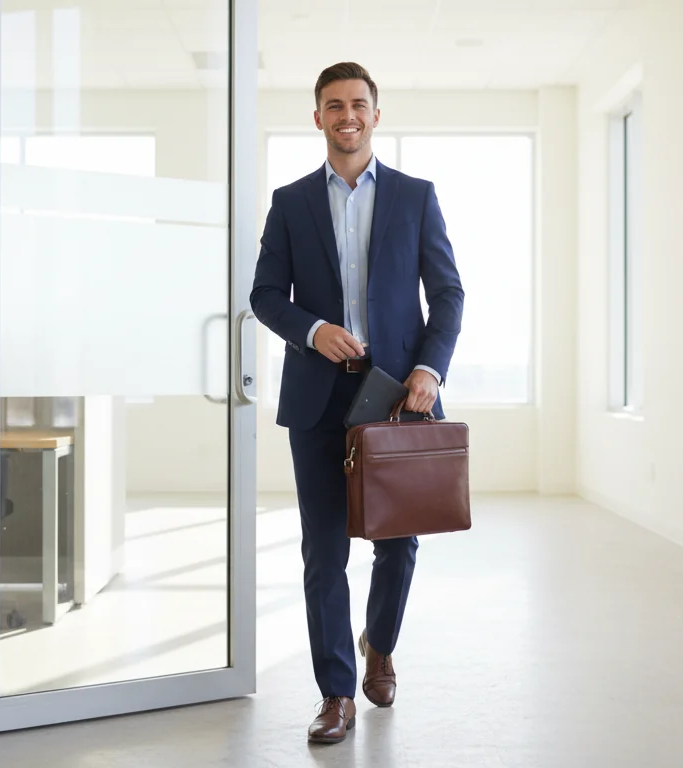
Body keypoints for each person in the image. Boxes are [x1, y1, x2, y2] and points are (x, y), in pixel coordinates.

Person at [249, 62, 464, 744]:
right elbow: (265, 296)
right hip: (317, 397)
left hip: (399, 396)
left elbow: (448, 295)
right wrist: (314, 330)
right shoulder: (290, 203)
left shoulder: (415, 196)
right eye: (334, 105)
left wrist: (429, 368)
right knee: (323, 552)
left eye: (359, 105)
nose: (347, 115)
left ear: (377, 114)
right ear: (317, 118)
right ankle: (336, 692)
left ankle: (382, 645)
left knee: (398, 545)